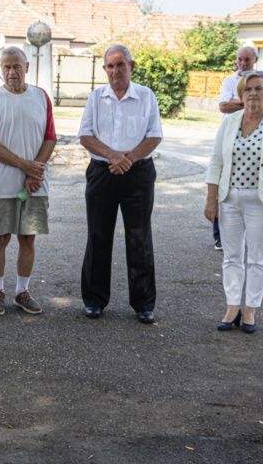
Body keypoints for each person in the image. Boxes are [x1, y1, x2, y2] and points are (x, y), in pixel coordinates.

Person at [77, 45, 163, 323]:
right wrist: (113, 156)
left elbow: (154, 136)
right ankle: (94, 300)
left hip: (137, 173)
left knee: (139, 238)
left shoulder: (146, 96)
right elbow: (85, 135)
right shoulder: (96, 97)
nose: (114, 71)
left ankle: (143, 304)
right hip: (102, 171)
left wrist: (129, 158)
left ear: (131, 66)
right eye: (109, 67)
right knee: (98, 236)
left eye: (120, 65)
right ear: (104, 70)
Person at [205, 72, 263, 334]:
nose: (253, 94)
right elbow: (216, 162)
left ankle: (251, 309)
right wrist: (212, 200)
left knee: (258, 257)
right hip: (229, 199)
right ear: (241, 94)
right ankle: (233, 307)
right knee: (232, 257)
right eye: (248, 90)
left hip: (261, 201)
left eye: (259, 89)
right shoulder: (230, 121)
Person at [0, 46, 56, 316]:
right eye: (7, 67)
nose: (12, 72)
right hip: (1, 184)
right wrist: (26, 167)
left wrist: (35, 173)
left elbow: (50, 137)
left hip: (34, 186)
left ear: (27, 67)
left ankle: (22, 291)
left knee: (28, 238)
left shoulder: (41, 97)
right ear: (1, 68)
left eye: (17, 66)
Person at [213, 46, 263, 250]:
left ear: (255, 60)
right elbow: (223, 106)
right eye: (239, 59)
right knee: (224, 182)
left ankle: (256, 235)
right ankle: (220, 236)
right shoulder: (229, 80)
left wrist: (238, 101)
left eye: (247, 60)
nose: (242, 63)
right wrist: (251, 102)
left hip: (258, 134)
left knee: (258, 182)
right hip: (232, 135)